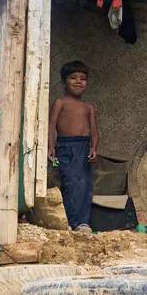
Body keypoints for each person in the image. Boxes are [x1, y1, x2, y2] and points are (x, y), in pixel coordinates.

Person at [48, 60, 99, 234]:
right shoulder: (60, 103)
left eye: (83, 78)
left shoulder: (89, 107)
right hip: (65, 147)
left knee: (84, 185)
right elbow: (51, 126)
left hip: (83, 148)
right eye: (73, 78)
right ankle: (68, 221)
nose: (79, 81)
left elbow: (94, 132)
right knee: (70, 184)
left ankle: (83, 223)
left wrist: (93, 148)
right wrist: (51, 147)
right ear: (64, 82)